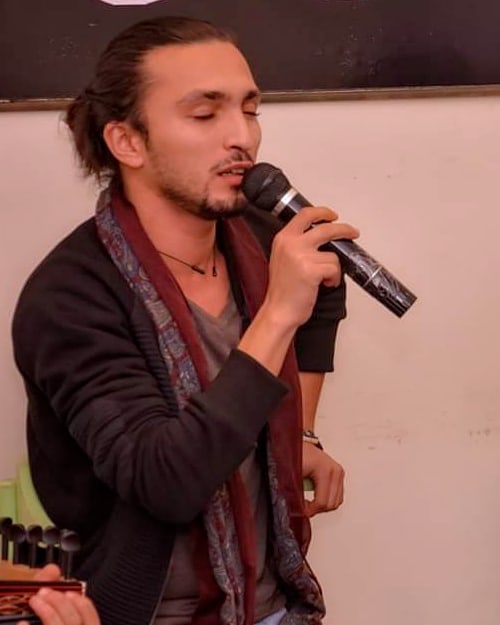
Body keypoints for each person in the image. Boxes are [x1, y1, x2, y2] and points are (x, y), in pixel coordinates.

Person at [12, 16, 359, 625]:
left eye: (249, 110)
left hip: (278, 608)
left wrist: (301, 434)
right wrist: (277, 313)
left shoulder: (258, 238)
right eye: (205, 114)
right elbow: (165, 483)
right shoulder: (68, 297)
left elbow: (324, 292)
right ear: (128, 142)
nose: (242, 137)